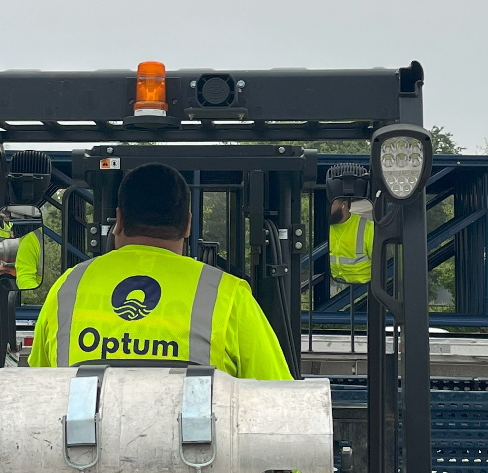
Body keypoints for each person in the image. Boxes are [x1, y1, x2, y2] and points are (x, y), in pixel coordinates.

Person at [28, 161, 291, 381]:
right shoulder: (228, 295)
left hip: (82, 442)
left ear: (118, 221)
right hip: (197, 443)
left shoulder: (68, 288)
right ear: (188, 225)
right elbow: (277, 398)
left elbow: (34, 388)